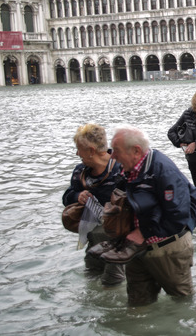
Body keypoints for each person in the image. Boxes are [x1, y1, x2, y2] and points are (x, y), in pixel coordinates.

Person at [104, 126, 196, 306]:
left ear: (136, 151)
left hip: (167, 248)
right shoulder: (127, 168)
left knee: (182, 303)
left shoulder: (163, 171)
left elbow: (178, 216)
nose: (112, 156)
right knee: (137, 305)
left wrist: (144, 232)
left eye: (116, 151)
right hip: (136, 248)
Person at [62, 123, 125, 287]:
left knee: (112, 284)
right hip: (93, 240)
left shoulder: (121, 168)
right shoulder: (80, 172)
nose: (77, 153)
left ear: (91, 150)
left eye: (79, 149)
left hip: (118, 243)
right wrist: (78, 195)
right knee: (91, 276)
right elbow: (67, 197)